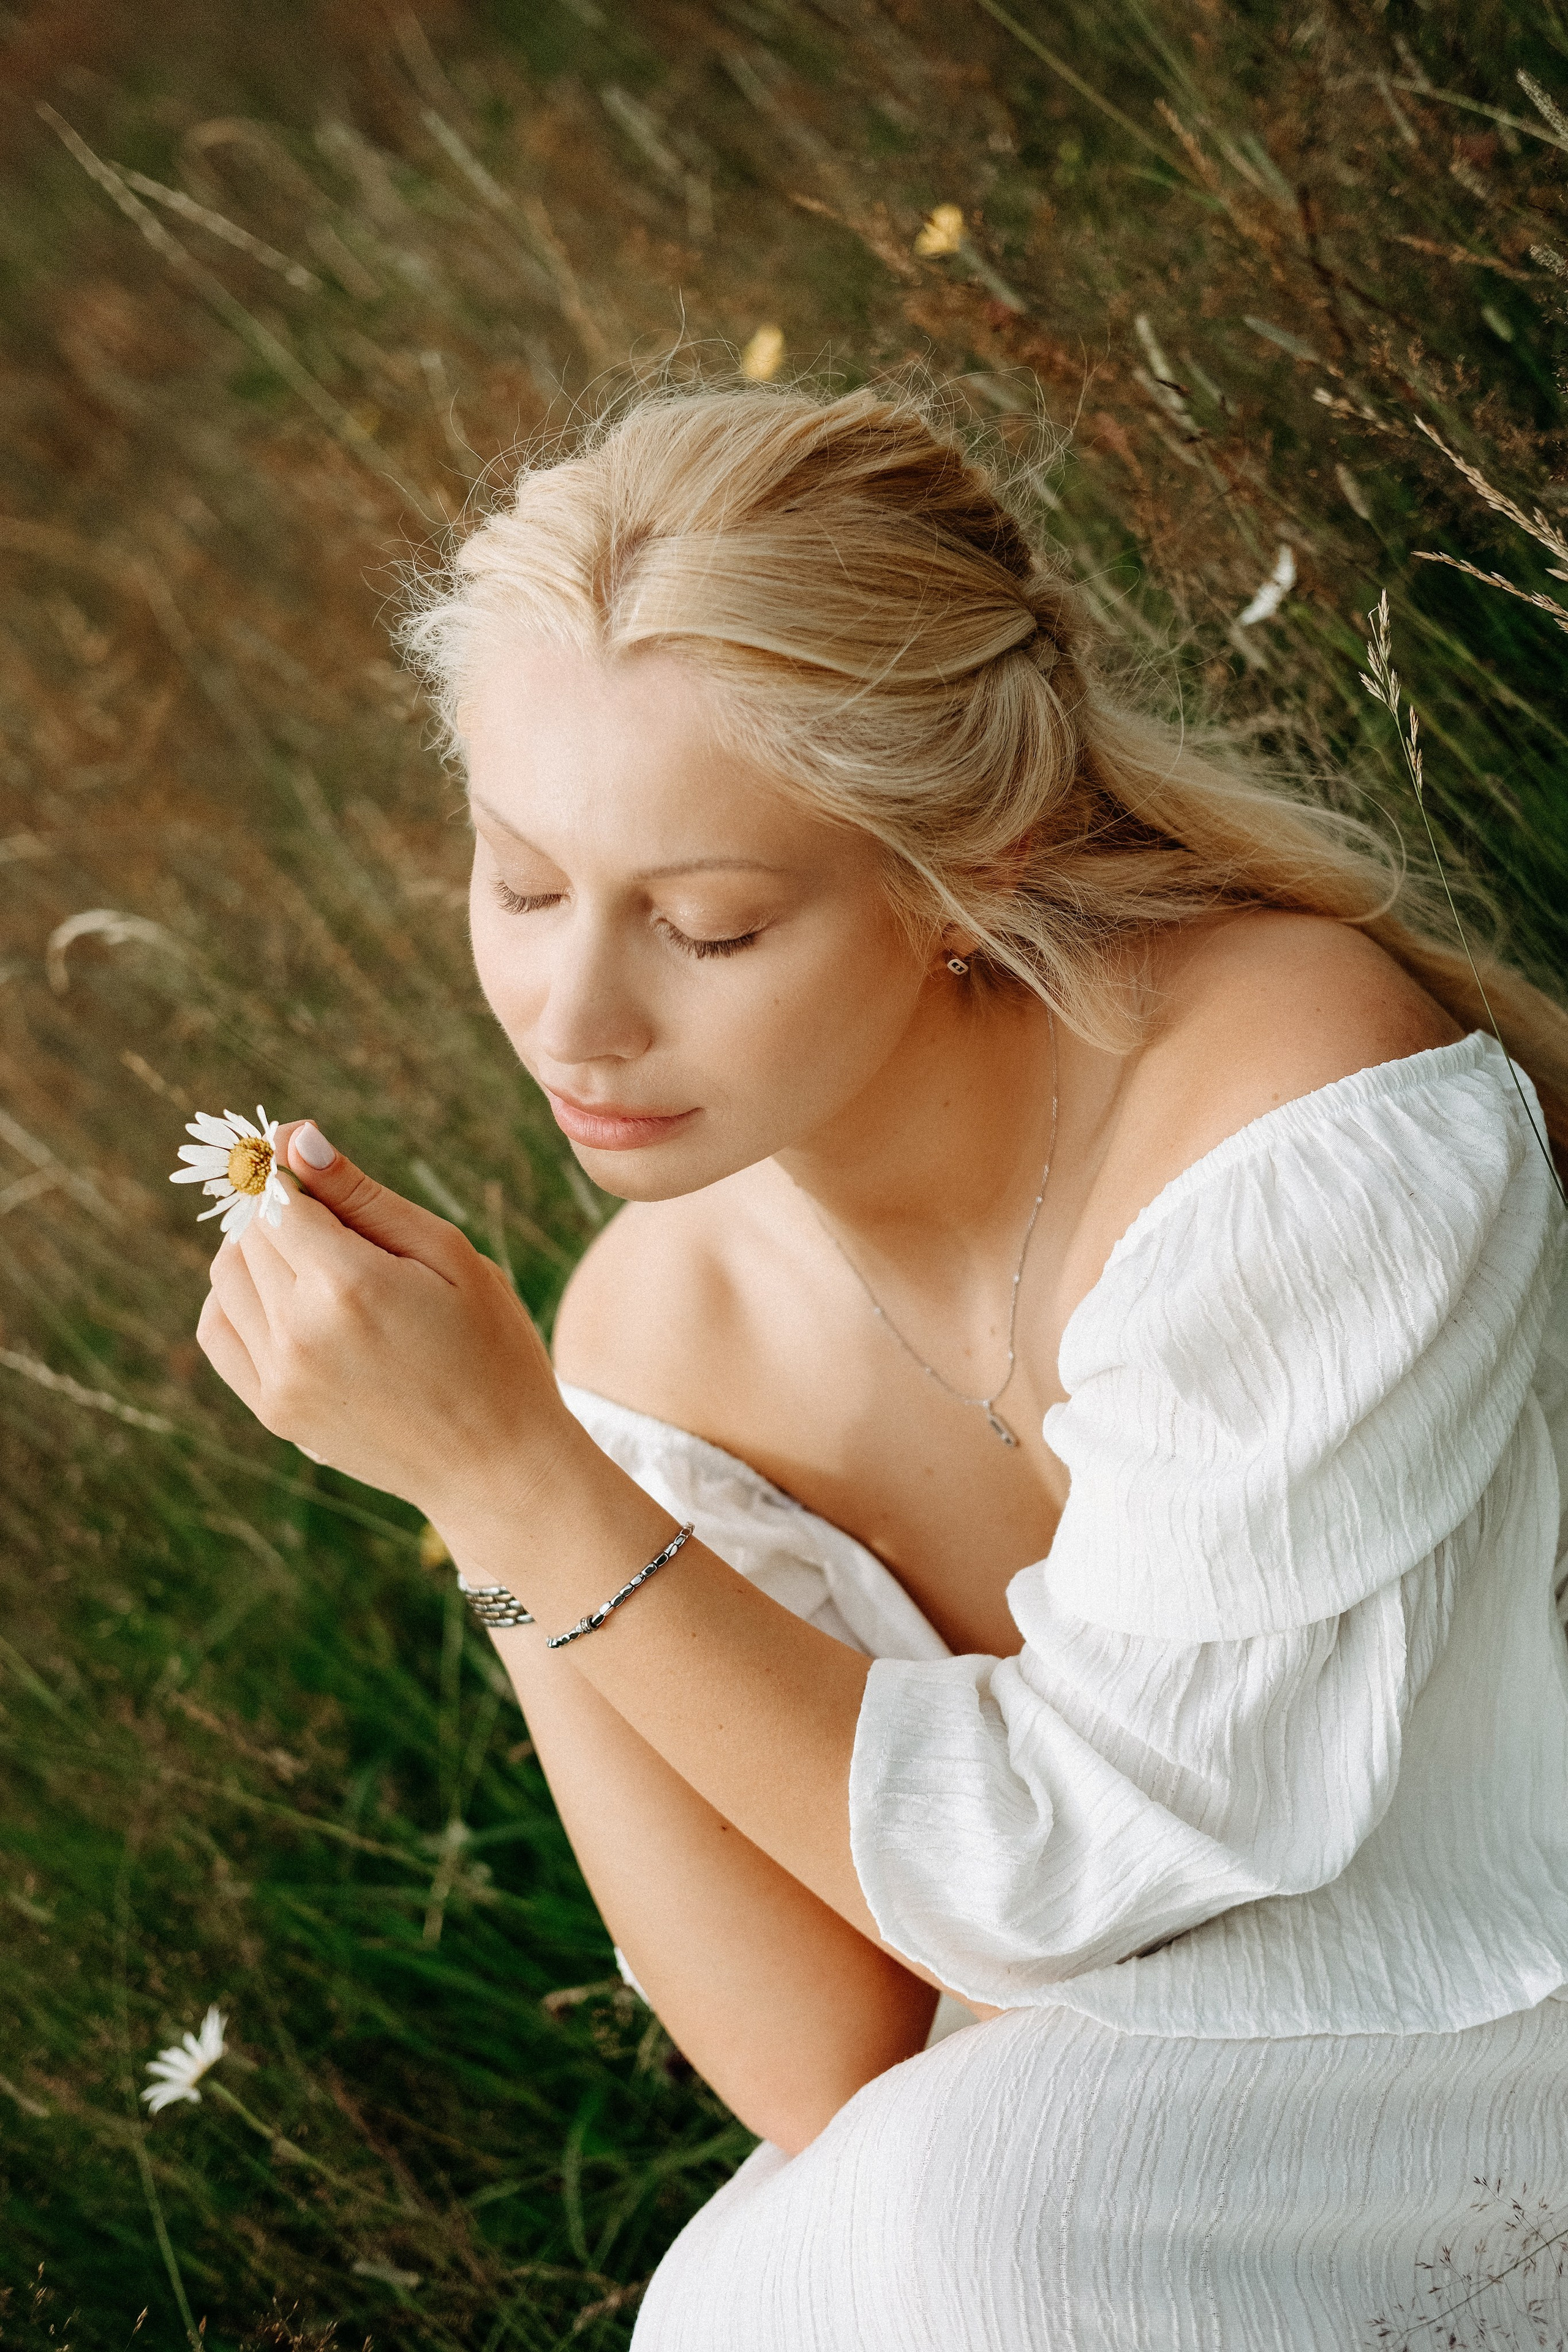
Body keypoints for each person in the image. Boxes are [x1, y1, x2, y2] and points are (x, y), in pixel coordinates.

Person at [195, 385, 1568, 2350]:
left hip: (1497, 1987)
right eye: (521, 885)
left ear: (967, 869)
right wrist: (482, 1480)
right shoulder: (664, 1331)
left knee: (961, 2230)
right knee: (798, 2273)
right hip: (1133, 2120)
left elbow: (1063, 1874)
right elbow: (818, 2059)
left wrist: (526, 1478)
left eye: (705, 927)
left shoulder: (1288, 1123)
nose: (573, 1017)